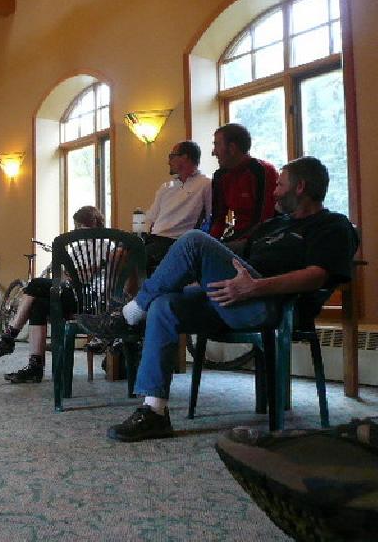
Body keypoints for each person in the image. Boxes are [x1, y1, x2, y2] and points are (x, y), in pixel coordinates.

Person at [77, 157, 357, 442]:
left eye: (280, 185)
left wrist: (255, 287)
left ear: (301, 187)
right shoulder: (271, 227)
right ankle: (154, 412)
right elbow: (225, 252)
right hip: (230, 300)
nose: (274, 191)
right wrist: (191, 270)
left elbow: (317, 276)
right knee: (164, 304)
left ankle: (128, 316)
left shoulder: (332, 225)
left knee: (193, 239)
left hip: (271, 304)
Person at [0, 205, 105, 383]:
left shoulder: (106, 245)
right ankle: (35, 367)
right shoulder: (79, 248)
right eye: (78, 226)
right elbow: (66, 274)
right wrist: (71, 274)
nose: (80, 230)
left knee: (35, 283)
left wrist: (77, 273)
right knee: (37, 304)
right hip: (70, 292)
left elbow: (88, 275)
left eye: (83, 225)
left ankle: (8, 337)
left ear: (95, 223)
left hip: (89, 299)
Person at [142, 140, 212, 269]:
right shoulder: (166, 187)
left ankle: (133, 289)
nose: (168, 162)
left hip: (176, 241)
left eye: (171, 156)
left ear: (184, 157)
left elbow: (210, 218)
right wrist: (138, 236)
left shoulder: (205, 184)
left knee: (130, 260)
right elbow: (151, 216)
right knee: (119, 252)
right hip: (154, 238)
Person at [209, 123, 278, 250]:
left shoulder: (262, 171)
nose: (214, 152)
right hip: (235, 238)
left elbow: (264, 219)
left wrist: (227, 244)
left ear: (232, 148)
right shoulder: (220, 176)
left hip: (261, 240)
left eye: (217, 145)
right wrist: (210, 243)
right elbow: (218, 218)